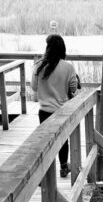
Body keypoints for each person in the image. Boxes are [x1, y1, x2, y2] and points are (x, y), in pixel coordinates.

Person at [31, 34, 79, 177]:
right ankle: (64, 167)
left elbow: (34, 87)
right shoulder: (68, 67)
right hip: (62, 110)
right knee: (63, 140)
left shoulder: (39, 65)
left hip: (44, 110)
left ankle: (45, 172)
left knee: (45, 143)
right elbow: (73, 89)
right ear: (62, 49)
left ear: (48, 48)